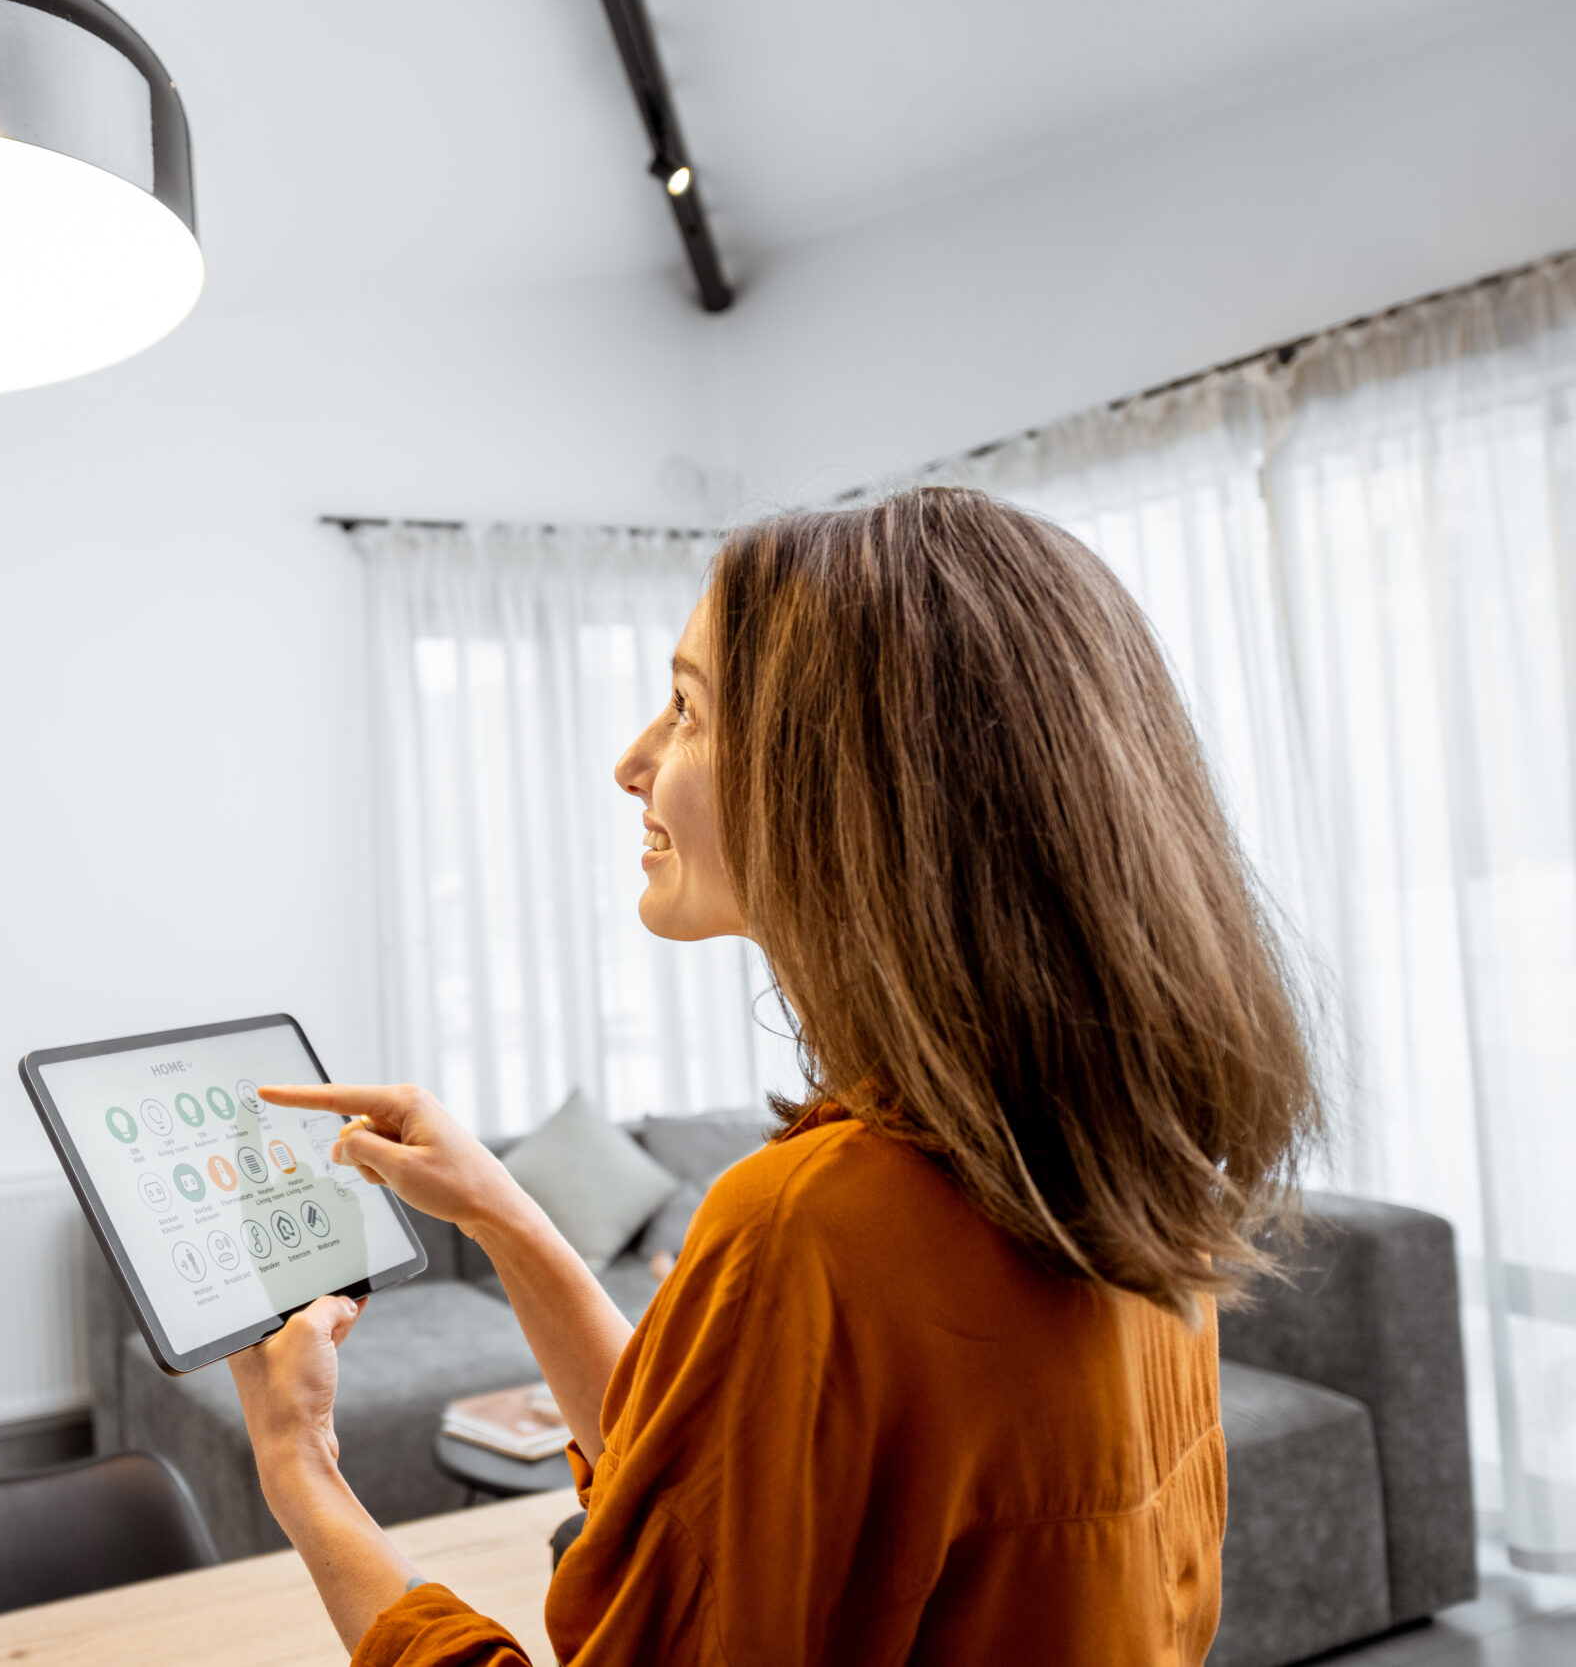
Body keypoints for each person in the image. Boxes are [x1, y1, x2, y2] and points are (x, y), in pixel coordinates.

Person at [233, 487, 1320, 1665]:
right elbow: (721, 1500)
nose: (631, 759)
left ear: (847, 777)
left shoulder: (816, 1227)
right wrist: (501, 1211)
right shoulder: (1120, 1172)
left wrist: (304, 1473)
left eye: (687, 709)